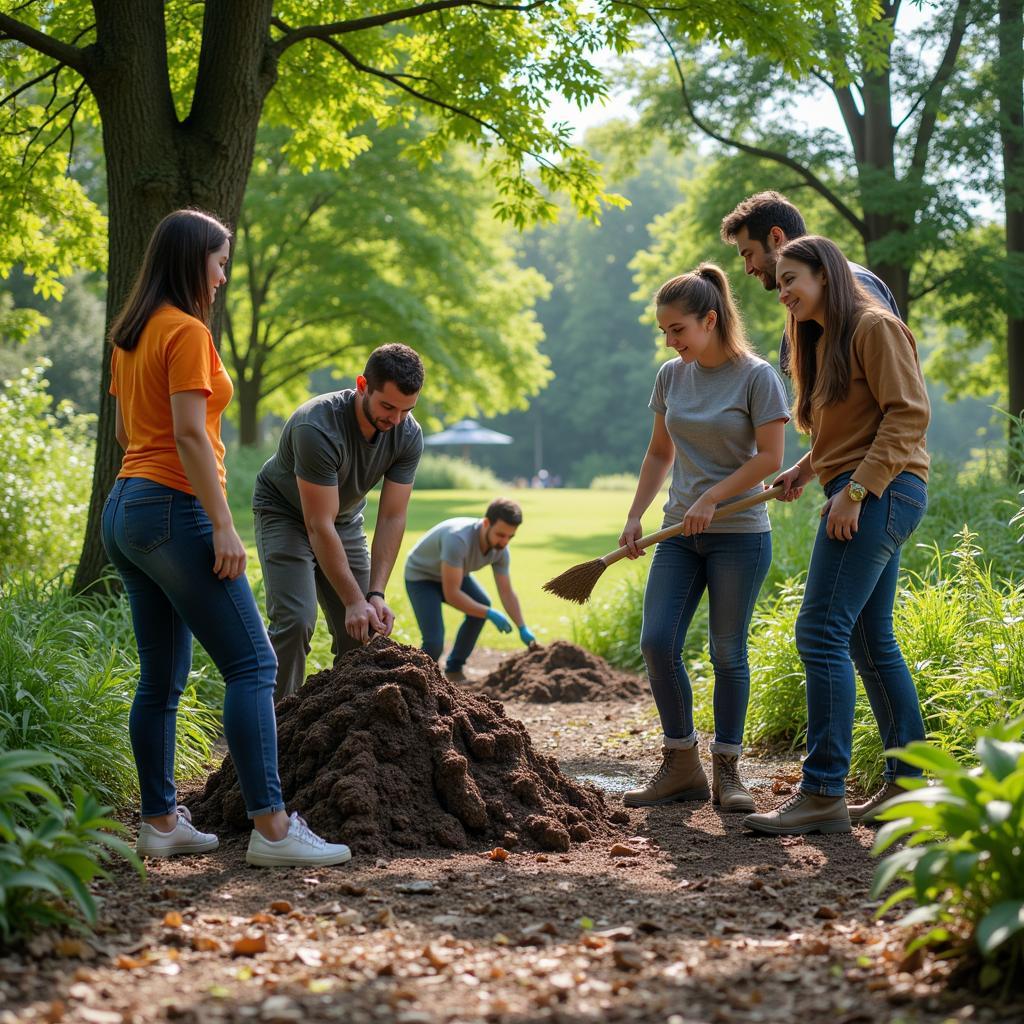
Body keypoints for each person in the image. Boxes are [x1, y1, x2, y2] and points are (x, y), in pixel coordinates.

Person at [101, 209, 350, 867]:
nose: (222, 276)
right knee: (255, 664)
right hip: (174, 509)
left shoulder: (130, 334)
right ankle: (272, 829)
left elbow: (130, 434)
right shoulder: (184, 331)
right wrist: (220, 522)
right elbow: (186, 433)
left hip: (126, 508)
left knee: (162, 676)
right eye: (217, 263)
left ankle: (159, 821)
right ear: (192, 263)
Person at [742, 236, 930, 837]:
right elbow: (853, 422)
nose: (784, 291)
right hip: (858, 484)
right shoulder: (822, 340)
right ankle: (908, 785)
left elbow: (907, 414)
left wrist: (854, 492)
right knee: (869, 640)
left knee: (820, 630)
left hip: (883, 490)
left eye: (792, 277)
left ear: (826, 275)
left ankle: (822, 790)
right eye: (782, 282)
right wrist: (807, 467)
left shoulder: (874, 327)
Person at [618, 264, 790, 811]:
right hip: (679, 533)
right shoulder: (671, 376)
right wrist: (635, 514)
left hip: (738, 533)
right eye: (665, 332)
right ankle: (681, 764)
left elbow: (770, 458)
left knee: (726, 651)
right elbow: (659, 452)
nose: (670, 341)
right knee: (656, 641)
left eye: (678, 330)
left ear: (710, 320)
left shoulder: (758, 376)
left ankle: (730, 774)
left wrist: (713, 497)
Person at [253, 344, 423, 700]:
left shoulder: (407, 434)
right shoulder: (316, 425)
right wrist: (352, 599)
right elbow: (317, 524)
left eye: (406, 410)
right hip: (285, 513)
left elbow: (392, 516)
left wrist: (373, 594)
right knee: (296, 620)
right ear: (362, 385)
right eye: (387, 406)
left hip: (342, 519)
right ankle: (274, 726)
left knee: (364, 628)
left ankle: (345, 731)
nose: (395, 419)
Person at [720, 191, 899, 372]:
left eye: (749, 255)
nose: (748, 269)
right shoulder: (801, 308)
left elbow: (895, 380)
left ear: (776, 238)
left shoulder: (855, 284)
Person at [404, 498, 535, 681]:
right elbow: (452, 594)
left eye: (510, 537)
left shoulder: (501, 551)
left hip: (454, 574)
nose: (504, 542)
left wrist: (522, 627)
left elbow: (506, 592)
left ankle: (454, 668)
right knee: (434, 643)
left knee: (481, 605)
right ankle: (409, 680)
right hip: (422, 577)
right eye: (500, 535)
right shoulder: (458, 539)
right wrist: (489, 613)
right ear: (486, 522)